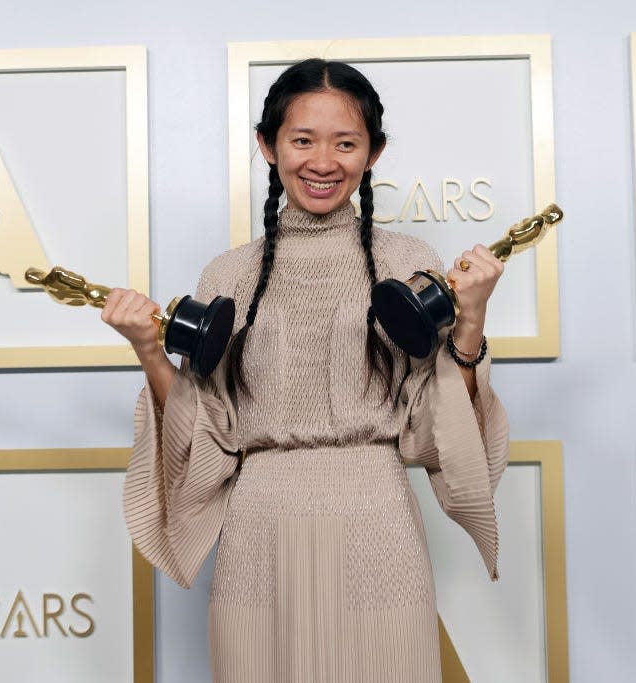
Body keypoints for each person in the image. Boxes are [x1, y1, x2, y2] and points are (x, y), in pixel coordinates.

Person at [103, 59, 509, 683]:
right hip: (259, 538)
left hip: (378, 526)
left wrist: (471, 320)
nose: (324, 162)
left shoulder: (409, 263)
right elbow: (203, 430)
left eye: (346, 143)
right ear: (267, 145)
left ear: (373, 154)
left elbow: (445, 431)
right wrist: (149, 349)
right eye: (302, 140)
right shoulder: (228, 274)